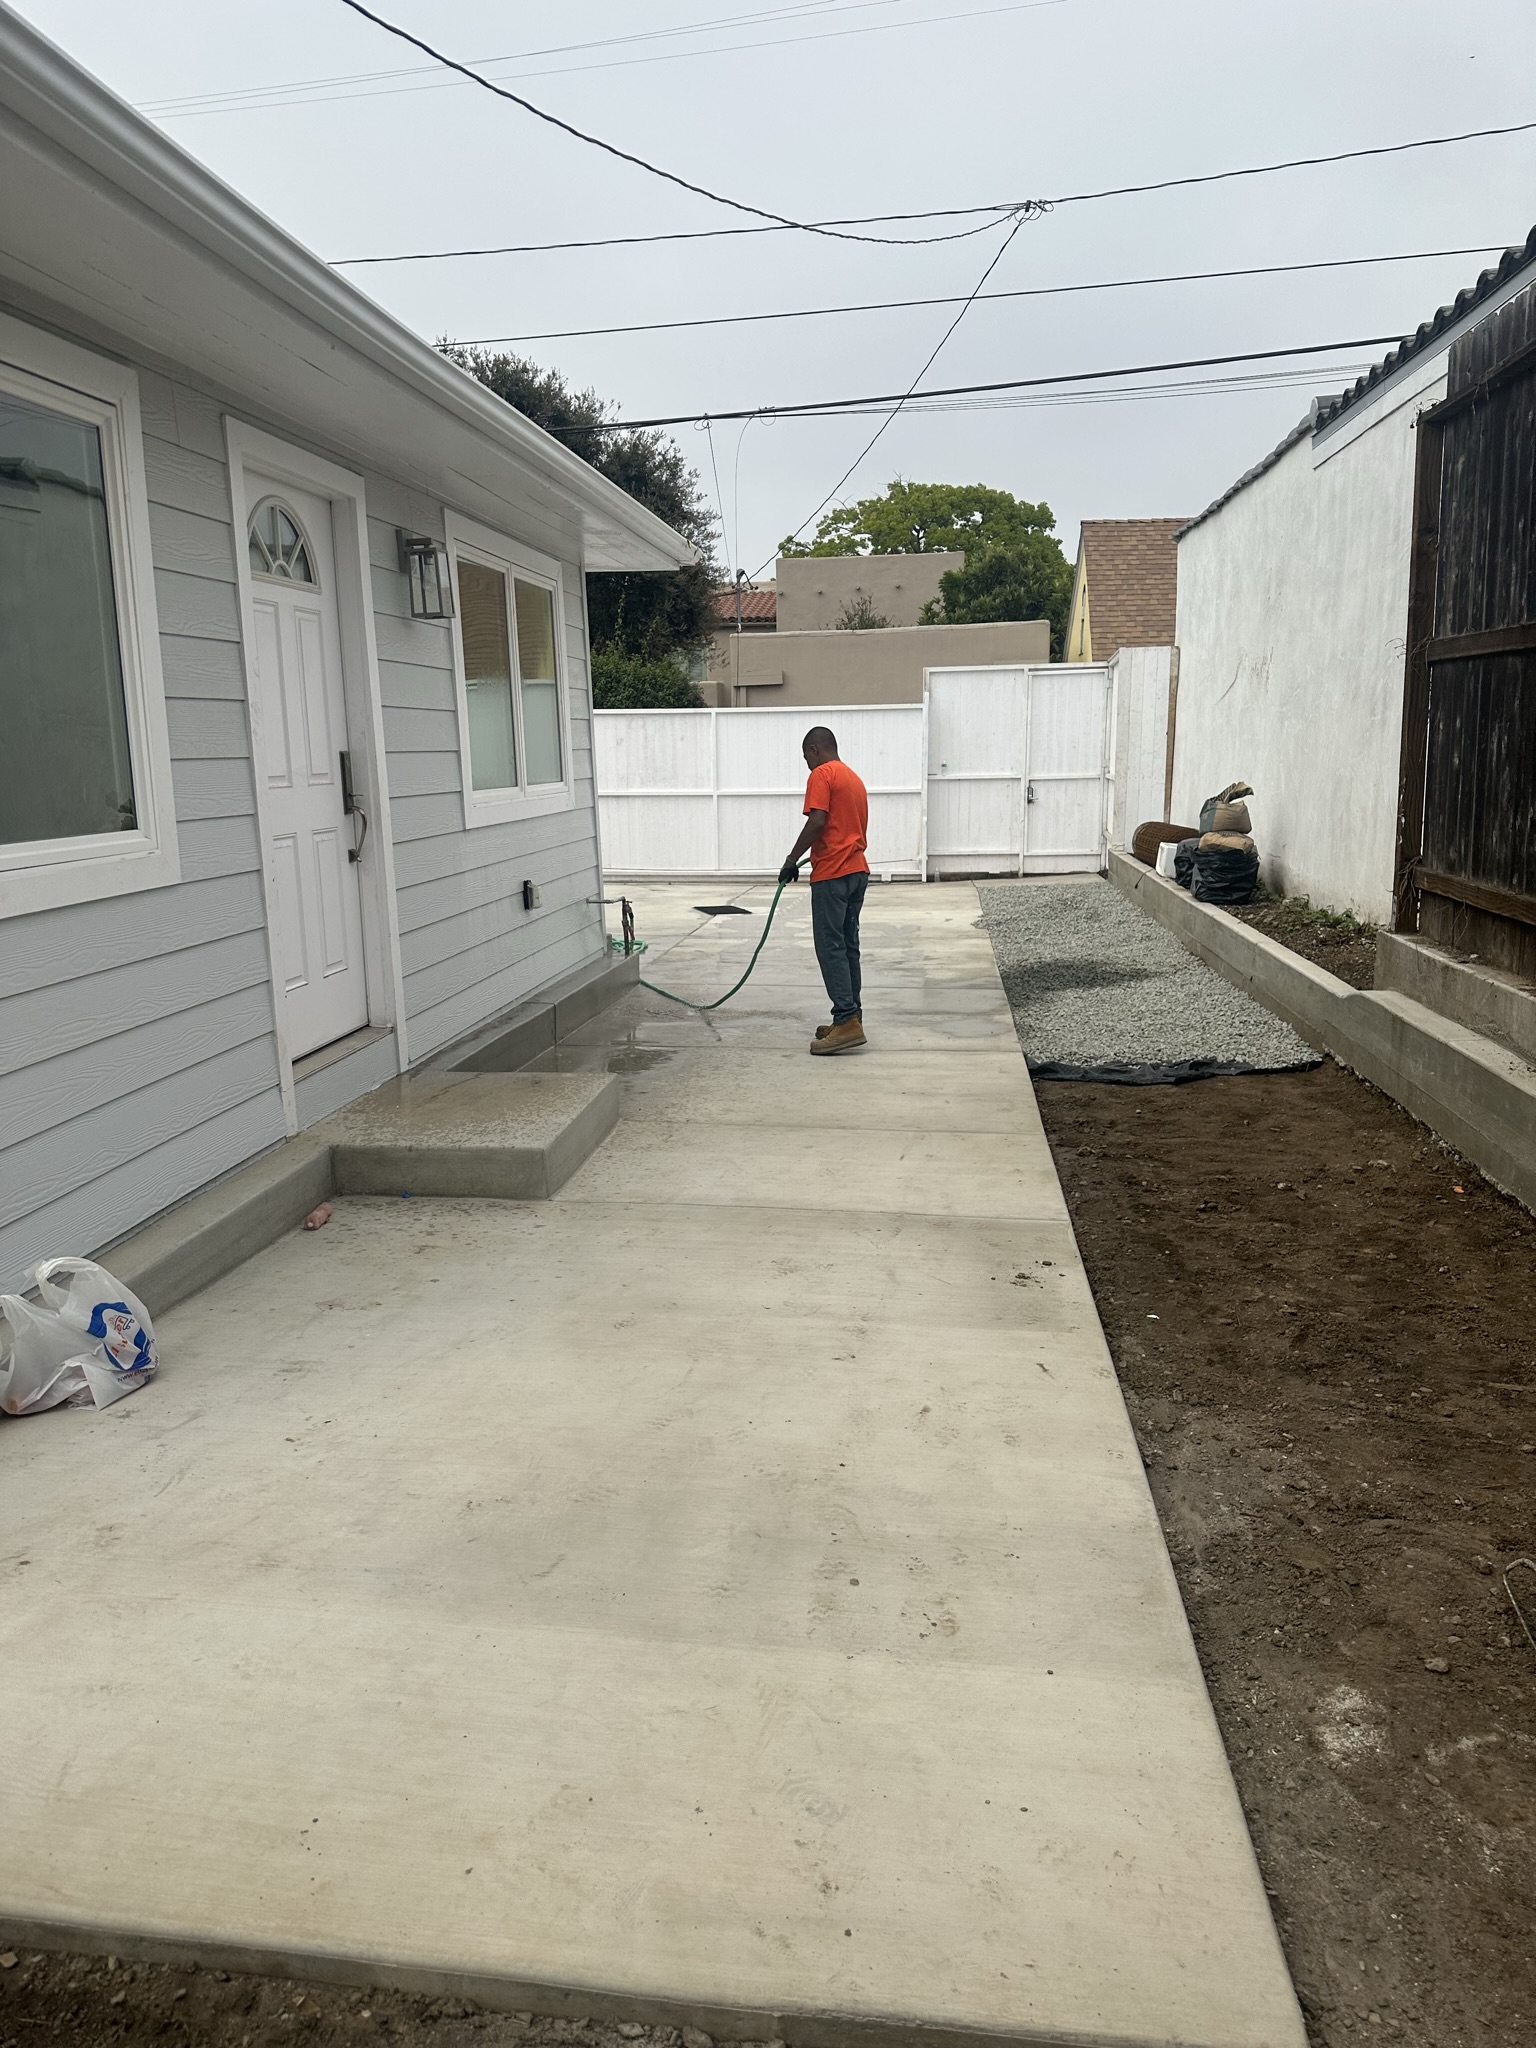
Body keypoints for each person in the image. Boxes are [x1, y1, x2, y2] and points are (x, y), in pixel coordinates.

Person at [779, 726, 869, 1055]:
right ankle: (851, 1017)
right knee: (848, 947)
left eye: (806, 757)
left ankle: (846, 1021)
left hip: (832, 874)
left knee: (830, 948)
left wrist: (791, 859)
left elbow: (817, 821)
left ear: (815, 750)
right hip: (857, 872)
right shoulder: (853, 778)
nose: (806, 763)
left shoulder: (822, 774)